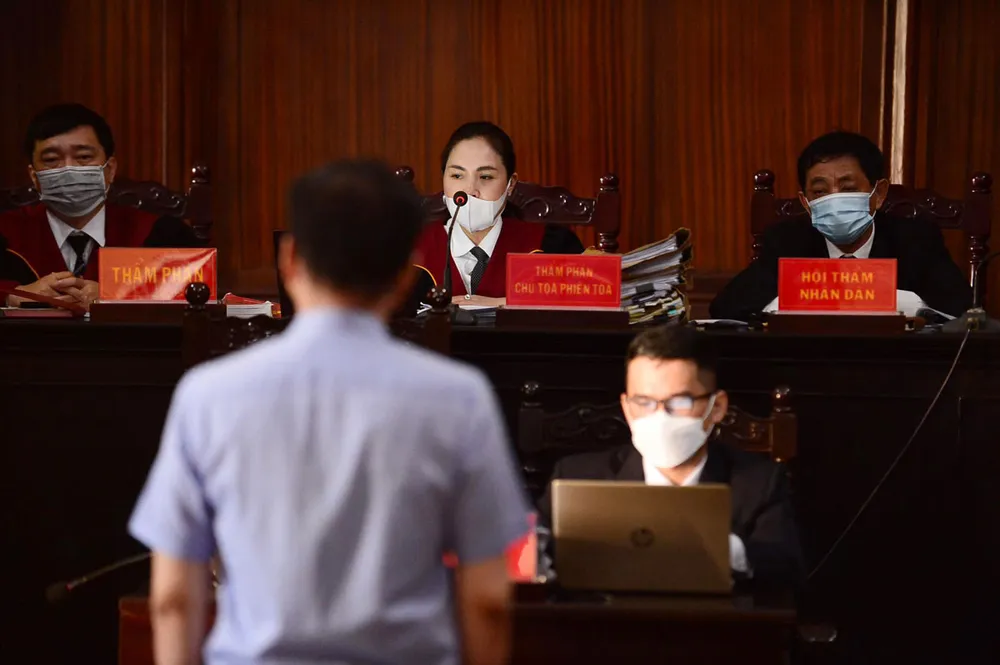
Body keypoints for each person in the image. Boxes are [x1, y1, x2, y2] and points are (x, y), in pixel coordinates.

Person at [128, 159, 530, 665]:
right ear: (405, 275)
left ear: (290, 259)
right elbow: (488, 598)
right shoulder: (459, 398)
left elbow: (172, 598)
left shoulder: (207, 395)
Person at [538, 325, 803, 587]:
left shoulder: (759, 483)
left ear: (717, 407)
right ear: (626, 408)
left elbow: (785, 568)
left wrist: (725, 549)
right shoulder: (576, 477)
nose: (660, 417)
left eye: (680, 402)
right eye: (644, 402)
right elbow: (535, 556)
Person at [710, 131, 972, 321]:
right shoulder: (787, 241)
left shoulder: (916, 240)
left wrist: (898, 302)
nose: (834, 200)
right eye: (820, 192)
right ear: (806, 202)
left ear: (879, 194)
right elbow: (727, 307)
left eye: (848, 189)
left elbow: (962, 311)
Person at [0, 103, 199, 309]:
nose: (69, 169)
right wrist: (12, 296)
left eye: (84, 157)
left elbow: (197, 291)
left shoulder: (162, 234)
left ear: (109, 169)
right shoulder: (6, 234)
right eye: (51, 159)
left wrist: (118, 294)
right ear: (34, 177)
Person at [411, 121, 584, 303]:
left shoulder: (552, 246)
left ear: (511, 184)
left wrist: (506, 303)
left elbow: (583, 304)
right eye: (457, 176)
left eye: (486, 177)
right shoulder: (412, 251)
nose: (470, 191)